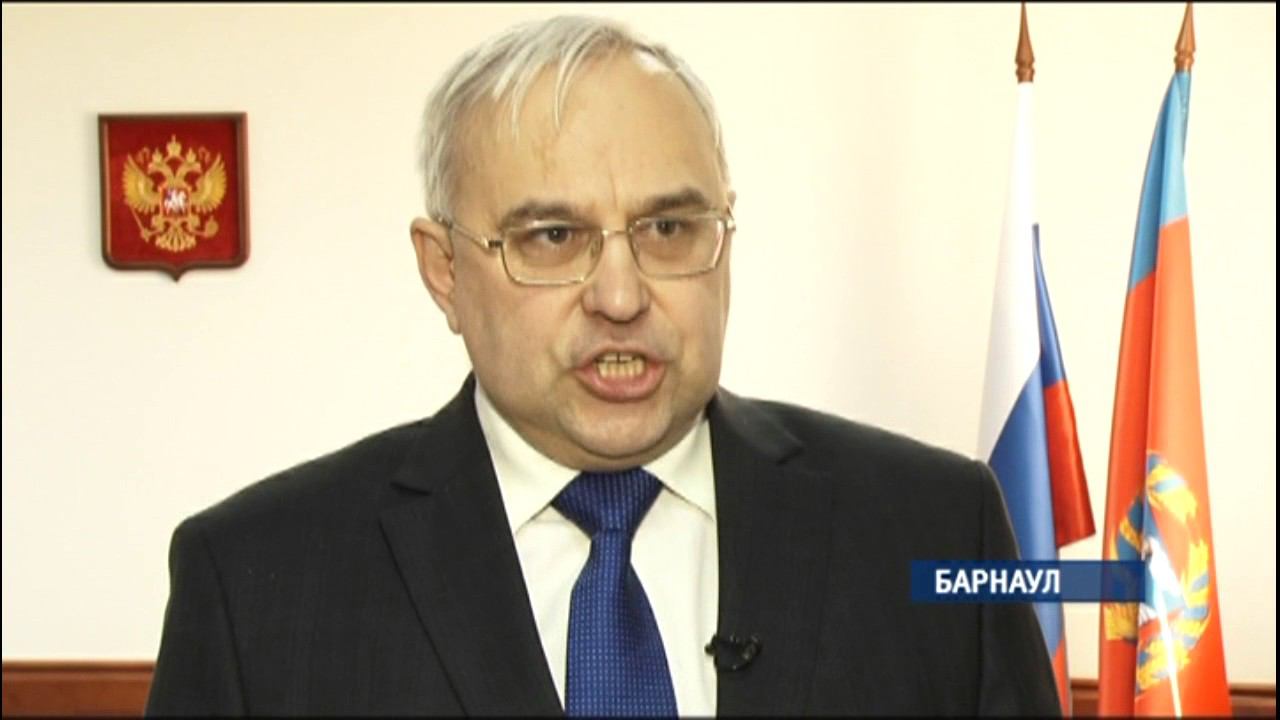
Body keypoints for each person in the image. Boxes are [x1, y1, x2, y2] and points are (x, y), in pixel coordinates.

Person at [146, 15, 1060, 716]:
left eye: (669, 228)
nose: (621, 295)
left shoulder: (937, 526)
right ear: (444, 271)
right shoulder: (256, 582)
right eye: (552, 236)